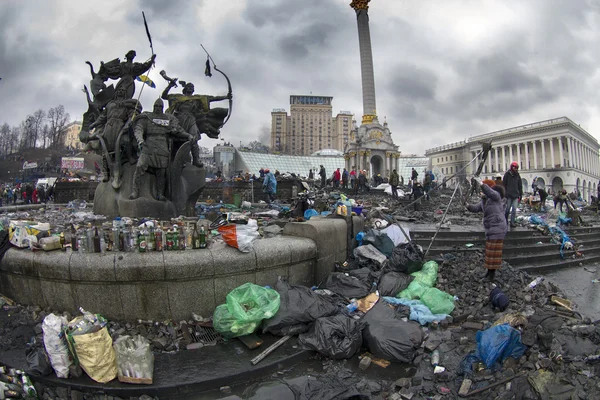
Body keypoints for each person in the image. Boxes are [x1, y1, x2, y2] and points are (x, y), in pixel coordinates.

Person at [129, 98, 194, 200]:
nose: (158, 108)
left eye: (160, 106)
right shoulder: (147, 117)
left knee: (161, 172)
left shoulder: (168, 119)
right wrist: (140, 140)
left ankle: (160, 194)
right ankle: (135, 191)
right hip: (148, 145)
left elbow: (178, 130)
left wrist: (188, 135)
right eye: (156, 106)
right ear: (153, 107)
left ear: (163, 108)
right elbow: (139, 129)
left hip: (162, 146)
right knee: (139, 166)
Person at [466, 178, 508, 282]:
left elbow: (490, 192)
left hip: (498, 228)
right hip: (491, 230)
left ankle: (491, 275)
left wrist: (481, 184)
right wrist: (467, 206)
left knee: (494, 253)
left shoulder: (496, 197)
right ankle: (488, 273)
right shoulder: (484, 201)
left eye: (482, 190)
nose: (481, 193)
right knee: (490, 253)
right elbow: (476, 208)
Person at [502, 161, 523, 227]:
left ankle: (512, 222)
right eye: (514, 167)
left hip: (516, 195)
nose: (516, 169)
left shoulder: (517, 175)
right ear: (511, 167)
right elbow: (504, 184)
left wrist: (520, 194)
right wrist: (504, 193)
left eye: (516, 168)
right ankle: (505, 221)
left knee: (514, 209)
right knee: (507, 209)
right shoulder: (507, 175)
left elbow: (520, 185)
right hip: (508, 195)